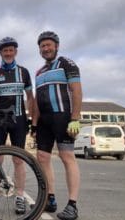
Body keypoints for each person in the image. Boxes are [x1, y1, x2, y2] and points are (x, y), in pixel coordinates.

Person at [32, 31, 82, 220]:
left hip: (63, 117)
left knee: (67, 156)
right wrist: (34, 125)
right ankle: (50, 198)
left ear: (56, 46)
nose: (45, 49)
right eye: (42, 46)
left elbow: (76, 90)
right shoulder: (39, 72)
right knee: (42, 157)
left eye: (48, 45)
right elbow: (36, 100)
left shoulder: (67, 63)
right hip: (44, 120)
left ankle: (72, 205)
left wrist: (75, 118)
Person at [0, 37, 34, 215]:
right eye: (5, 50)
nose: (8, 53)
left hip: (19, 120)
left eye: (11, 50)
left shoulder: (24, 72)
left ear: (15, 51)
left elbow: (30, 98)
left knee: (18, 160)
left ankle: (20, 197)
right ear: (0, 52)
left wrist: (31, 119)